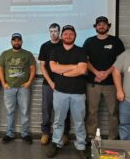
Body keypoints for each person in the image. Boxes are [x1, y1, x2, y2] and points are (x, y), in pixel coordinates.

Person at [46, 25, 88, 159]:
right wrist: (73, 66)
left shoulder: (81, 51)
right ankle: (56, 143)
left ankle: (81, 145)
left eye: (71, 34)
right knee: (58, 120)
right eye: (65, 34)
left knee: (79, 121)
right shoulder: (55, 51)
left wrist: (62, 71)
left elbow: (82, 70)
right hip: (60, 92)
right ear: (61, 36)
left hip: (78, 93)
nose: (68, 36)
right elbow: (53, 68)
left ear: (75, 36)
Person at [83, 16, 125, 141]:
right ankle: (91, 137)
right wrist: (96, 73)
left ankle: (113, 138)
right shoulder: (89, 41)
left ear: (108, 26)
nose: (101, 26)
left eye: (104, 24)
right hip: (93, 83)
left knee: (113, 113)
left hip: (112, 84)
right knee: (92, 112)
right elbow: (85, 60)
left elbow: (120, 60)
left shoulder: (116, 41)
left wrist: (106, 73)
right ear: (95, 27)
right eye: (99, 24)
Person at [0, 33, 36, 144]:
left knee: (24, 111)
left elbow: (33, 69)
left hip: (24, 88)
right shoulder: (5, 54)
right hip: (9, 88)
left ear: (22, 42)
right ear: (11, 42)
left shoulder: (27, 54)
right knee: (10, 112)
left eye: (19, 40)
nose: (17, 42)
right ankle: (9, 134)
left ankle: (25, 134)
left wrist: (29, 82)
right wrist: (3, 83)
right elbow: (0, 69)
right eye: (14, 40)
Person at [38, 23, 71, 145]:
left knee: (64, 110)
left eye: (56, 31)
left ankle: (64, 133)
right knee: (46, 109)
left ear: (59, 32)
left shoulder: (66, 44)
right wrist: (51, 82)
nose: (53, 33)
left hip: (64, 83)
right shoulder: (45, 46)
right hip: (48, 84)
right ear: (49, 32)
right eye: (51, 31)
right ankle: (46, 133)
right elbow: (42, 66)